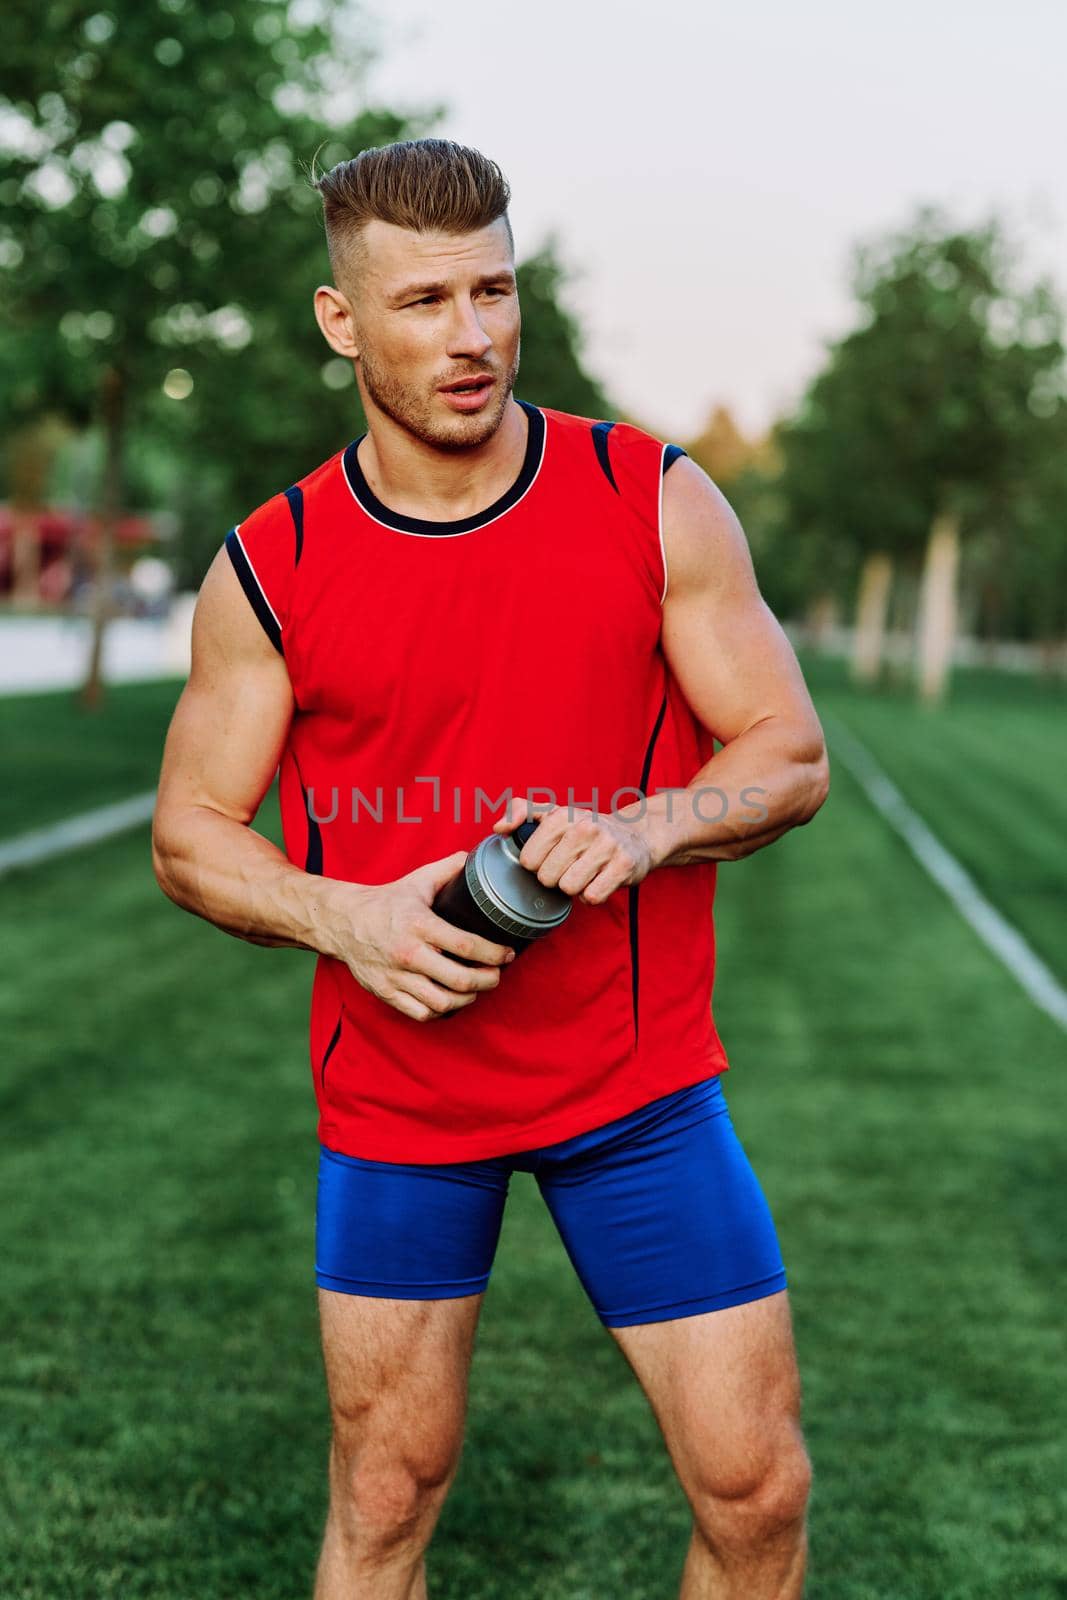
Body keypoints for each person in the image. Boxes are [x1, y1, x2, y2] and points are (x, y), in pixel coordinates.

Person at [152, 137, 830, 1600]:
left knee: (757, 1485)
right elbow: (190, 834)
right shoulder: (272, 564)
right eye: (424, 304)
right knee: (387, 1496)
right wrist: (348, 916)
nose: (471, 338)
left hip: (634, 1091)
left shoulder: (649, 496)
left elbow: (789, 750)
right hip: (402, 1092)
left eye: (494, 292)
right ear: (343, 324)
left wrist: (650, 825)